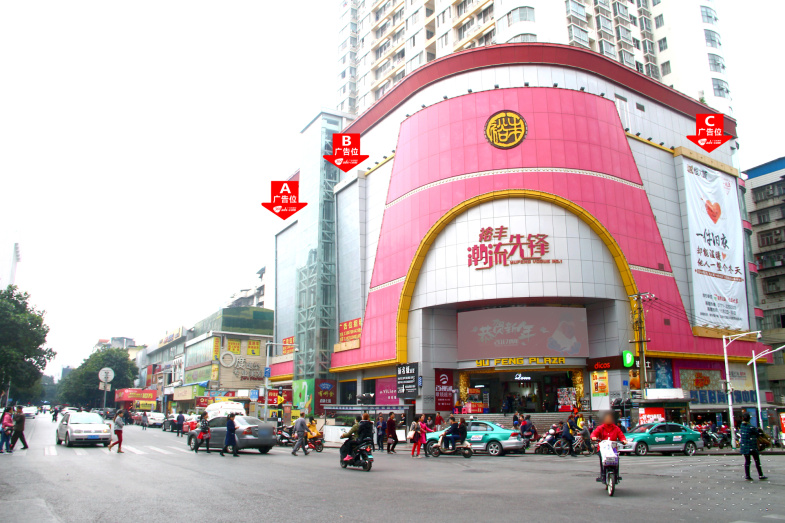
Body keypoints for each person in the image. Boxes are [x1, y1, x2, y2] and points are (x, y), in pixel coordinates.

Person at [591, 412, 627, 482]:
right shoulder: (600, 428)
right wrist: (593, 437)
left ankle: (616, 476)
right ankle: (603, 475)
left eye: (610, 418)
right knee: (603, 460)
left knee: (616, 460)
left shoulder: (616, 428)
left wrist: (624, 440)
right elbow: (594, 434)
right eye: (607, 418)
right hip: (603, 449)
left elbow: (621, 435)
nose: (608, 419)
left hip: (613, 449)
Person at [739, 412, 767, 481]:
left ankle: (747, 475)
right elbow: (757, 434)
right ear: (749, 419)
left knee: (747, 461)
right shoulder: (751, 427)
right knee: (757, 461)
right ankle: (760, 475)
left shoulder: (742, 426)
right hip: (752, 446)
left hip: (744, 447)